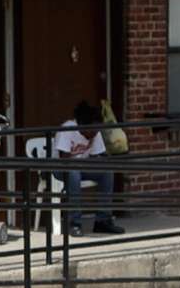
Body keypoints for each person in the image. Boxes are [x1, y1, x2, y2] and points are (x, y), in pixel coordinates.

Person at [52, 101, 125, 236]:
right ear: (82, 125)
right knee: (73, 173)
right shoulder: (67, 129)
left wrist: (100, 162)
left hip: (81, 166)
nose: (94, 134)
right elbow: (64, 160)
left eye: (97, 130)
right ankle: (75, 223)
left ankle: (103, 221)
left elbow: (97, 156)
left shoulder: (95, 132)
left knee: (107, 172)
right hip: (61, 168)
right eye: (91, 130)